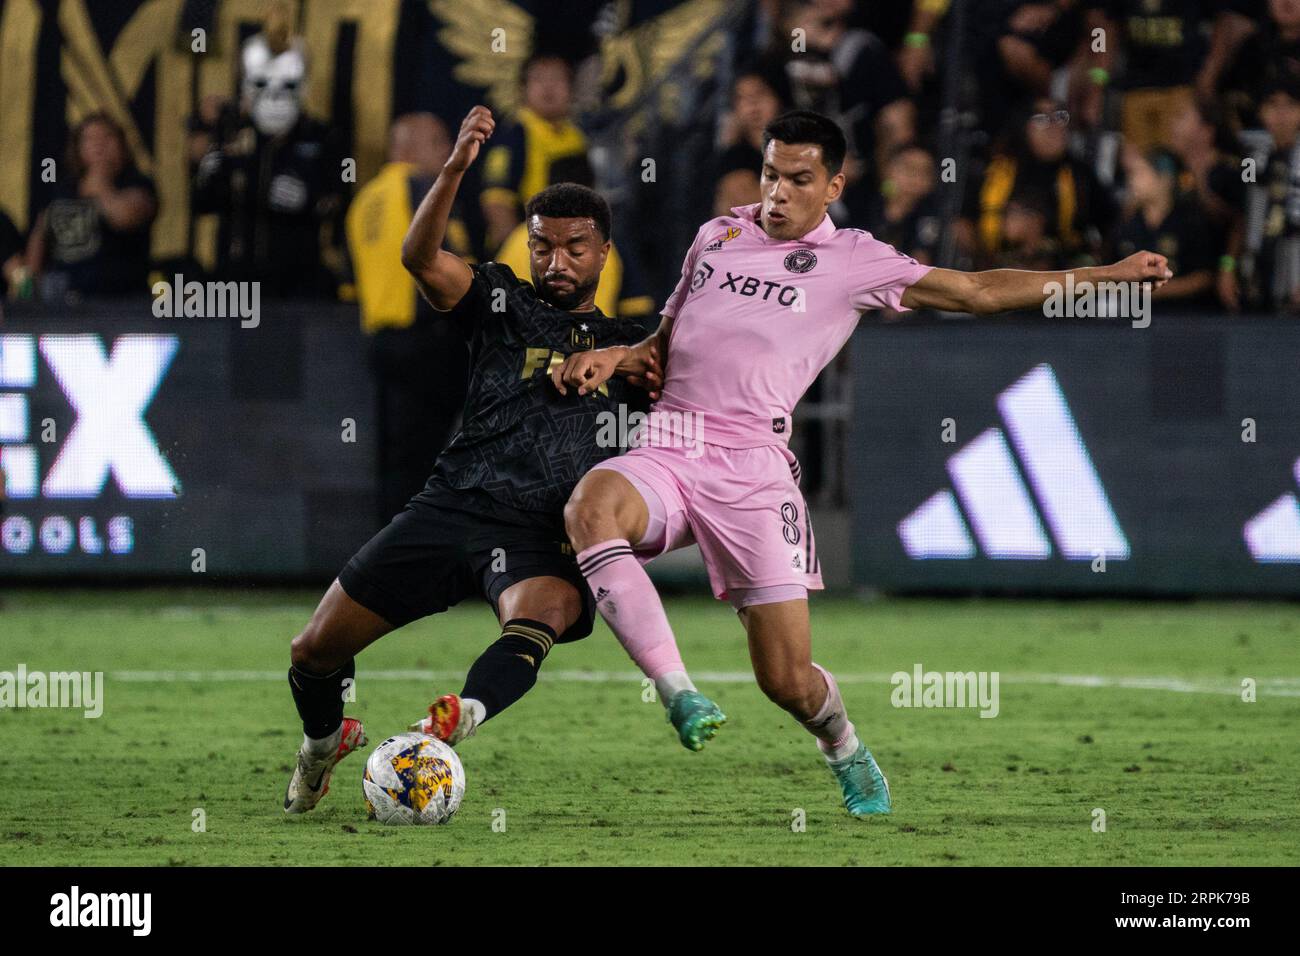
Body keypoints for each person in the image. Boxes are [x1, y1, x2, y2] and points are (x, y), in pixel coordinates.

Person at [552, 109, 1170, 818]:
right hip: (672, 443)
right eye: (770, 173)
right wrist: (617, 356)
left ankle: (844, 745)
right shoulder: (716, 234)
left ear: (834, 185)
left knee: (786, 681)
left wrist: (1107, 275)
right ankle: (679, 692)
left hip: (753, 471)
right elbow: (662, 343)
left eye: (798, 179)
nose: (778, 192)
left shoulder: (854, 260)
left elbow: (976, 292)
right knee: (589, 510)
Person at [283, 107, 654, 813]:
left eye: (575, 248)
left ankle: (458, 719)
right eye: (543, 246)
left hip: (541, 530)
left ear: (604, 253)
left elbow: (699, 383)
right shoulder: (499, 302)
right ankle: (323, 743)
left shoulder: (631, 347)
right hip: (452, 502)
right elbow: (419, 259)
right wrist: (454, 168)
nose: (557, 262)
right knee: (312, 653)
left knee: (547, 607)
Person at [344, 112, 473, 523]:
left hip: (381, 340)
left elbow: (350, 283)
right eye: (438, 142)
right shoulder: (420, 187)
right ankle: (418, 556)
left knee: (394, 456)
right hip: (427, 339)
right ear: (409, 147)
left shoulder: (363, 202)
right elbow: (447, 260)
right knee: (431, 459)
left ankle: (384, 558)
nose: (445, 152)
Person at [190, 29, 345, 298]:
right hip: (236, 281)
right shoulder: (230, 134)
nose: (274, 96)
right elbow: (201, 204)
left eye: (287, 85)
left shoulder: (324, 138)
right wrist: (208, 169)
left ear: (303, 85)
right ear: (247, 86)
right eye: (262, 84)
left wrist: (308, 202)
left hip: (299, 280)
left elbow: (343, 198)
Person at [24, 113, 157, 300]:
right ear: (78, 148)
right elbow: (40, 237)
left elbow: (126, 217)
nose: (99, 144)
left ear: (122, 144)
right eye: (90, 139)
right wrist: (29, 286)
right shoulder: (63, 188)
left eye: (107, 137)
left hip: (119, 302)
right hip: (63, 301)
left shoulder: (136, 183)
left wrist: (100, 184)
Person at [479, 53, 591, 256]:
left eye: (557, 79)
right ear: (523, 89)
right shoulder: (515, 133)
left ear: (572, 90)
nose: (548, 87)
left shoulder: (577, 137)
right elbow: (496, 200)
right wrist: (521, 254)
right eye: (538, 79)